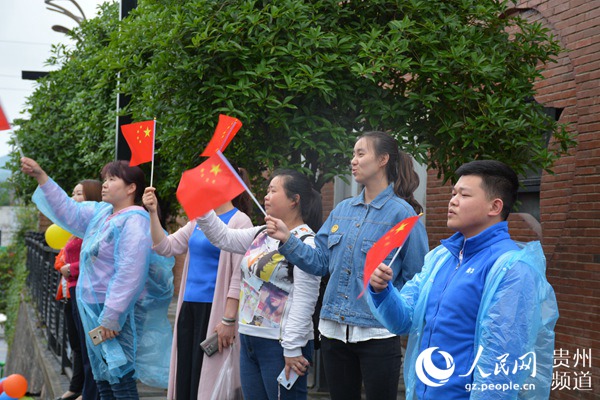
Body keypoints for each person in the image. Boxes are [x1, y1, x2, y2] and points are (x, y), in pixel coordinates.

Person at [368, 160, 559, 399]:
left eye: (464, 194)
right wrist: (382, 289)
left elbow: (501, 368)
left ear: (495, 206)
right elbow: (404, 320)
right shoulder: (441, 258)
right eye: (453, 193)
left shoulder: (512, 269)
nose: (453, 201)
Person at [266, 131, 429, 400]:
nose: (353, 160)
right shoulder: (341, 210)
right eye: (353, 154)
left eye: (360, 153)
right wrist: (287, 238)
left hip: (377, 333)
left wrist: (393, 300)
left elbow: (417, 279)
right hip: (333, 331)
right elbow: (320, 263)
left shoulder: (402, 214)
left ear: (383, 160)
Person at [21, 157, 174, 400]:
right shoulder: (104, 214)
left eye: (112, 179)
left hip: (113, 314)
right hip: (94, 309)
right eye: (105, 179)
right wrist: (42, 176)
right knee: (103, 378)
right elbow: (68, 210)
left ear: (131, 188)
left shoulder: (134, 221)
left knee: (120, 381)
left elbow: (130, 272)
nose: (104, 184)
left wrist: (112, 317)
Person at [195, 169, 322, 400]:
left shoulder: (306, 242)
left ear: (295, 200)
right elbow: (223, 238)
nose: (266, 196)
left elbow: (305, 299)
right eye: (267, 190)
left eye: (273, 191)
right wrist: (203, 205)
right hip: (250, 337)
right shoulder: (263, 232)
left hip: (282, 345)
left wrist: (292, 348)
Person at [142, 167, 253, 400]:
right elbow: (165, 247)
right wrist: (153, 213)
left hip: (215, 311)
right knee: (186, 372)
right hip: (188, 307)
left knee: (207, 377)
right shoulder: (199, 219)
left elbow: (238, 275)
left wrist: (228, 319)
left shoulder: (240, 221)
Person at [54, 180, 102, 400]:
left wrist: (70, 268)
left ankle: (89, 392)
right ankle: (79, 386)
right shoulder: (78, 227)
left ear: (91, 197)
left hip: (86, 290)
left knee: (88, 345)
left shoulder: (94, 226)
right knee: (77, 343)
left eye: (79, 194)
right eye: (72, 193)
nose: (73, 198)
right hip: (72, 290)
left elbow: (96, 256)